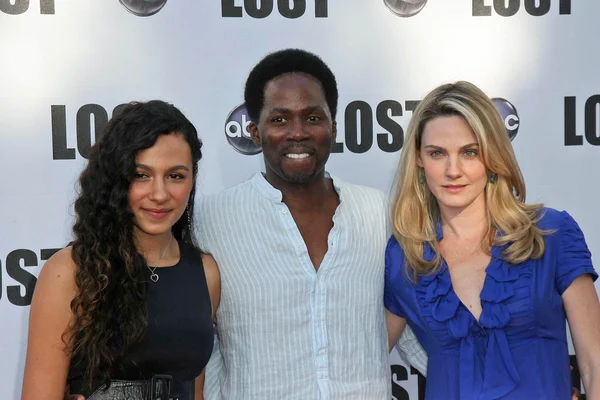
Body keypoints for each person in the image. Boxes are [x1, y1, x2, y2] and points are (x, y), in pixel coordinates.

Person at [197, 48, 427, 400]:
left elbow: (420, 321)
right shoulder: (210, 220)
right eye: (279, 120)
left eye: (313, 118)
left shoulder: (378, 213)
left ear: (333, 127)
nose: (298, 133)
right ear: (255, 133)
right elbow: (185, 337)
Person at [385, 81, 600, 399]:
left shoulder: (550, 234)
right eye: (437, 153)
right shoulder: (405, 257)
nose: (453, 170)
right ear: (419, 160)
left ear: (492, 157)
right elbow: (361, 362)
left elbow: (594, 364)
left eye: (469, 152)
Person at [21, 100, 220, 400]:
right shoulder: (70, 272)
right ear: (116, 180)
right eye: (141, 175)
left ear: (192, 180)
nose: (159, 194)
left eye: (176, 176)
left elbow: (196, 389)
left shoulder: (205, 272)